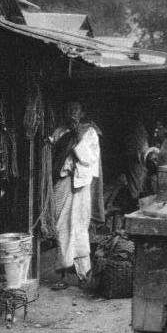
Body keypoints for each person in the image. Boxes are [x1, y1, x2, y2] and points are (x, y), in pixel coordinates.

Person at [49, 101, 103, 289]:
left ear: (82, 113)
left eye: (76, 111)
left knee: (79, 227)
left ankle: (83, 273)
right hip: (62, 183)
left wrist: (77, 137)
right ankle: (63, 273)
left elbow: (89, 158)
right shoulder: (59, 132)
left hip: (80, 185)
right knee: (61, 227)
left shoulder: (90, 133)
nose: (73, 114)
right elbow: (51, 153)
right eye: (69, 110)